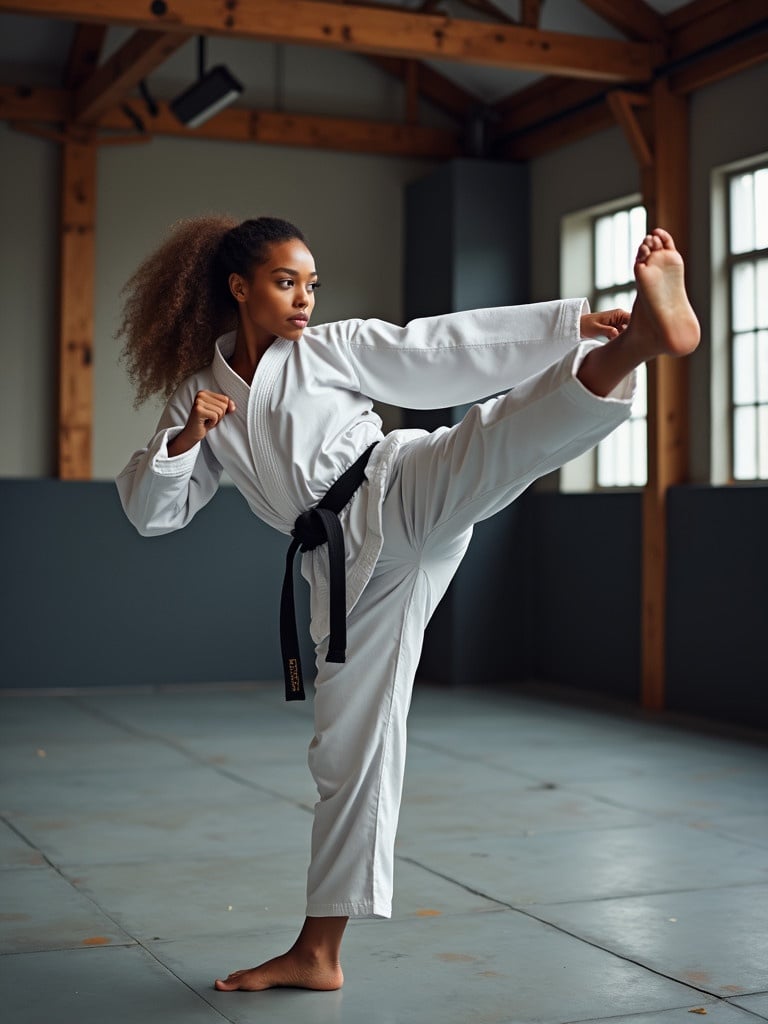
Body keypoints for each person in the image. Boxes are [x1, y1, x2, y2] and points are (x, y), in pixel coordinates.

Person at [116, 217, 700, 992]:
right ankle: (318, 953)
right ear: (239, 288)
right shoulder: (200, 395)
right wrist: (187, 440)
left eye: (311, 283)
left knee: (490, 443)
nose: (303, 300)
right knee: (346, 751)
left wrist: (567, 327)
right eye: (287, 282)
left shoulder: (327, 349)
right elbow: (154, 512)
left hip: (392, 488)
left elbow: (435, 349)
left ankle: (633, 346)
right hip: (345, 572)